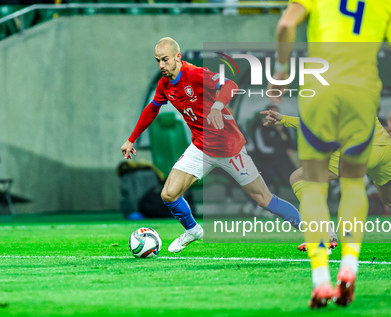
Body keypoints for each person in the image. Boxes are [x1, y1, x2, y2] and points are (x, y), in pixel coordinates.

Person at [271, 0, 391, 308]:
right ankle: (348, 267)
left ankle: (320, 279)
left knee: (312, 184)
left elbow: (286, 24)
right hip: (362, 97)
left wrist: (282, 71)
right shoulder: (384, 0)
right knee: (353, 184)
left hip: (319, 91)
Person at [121, 38, 301, 254]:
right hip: (201, 148)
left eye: (165, 60)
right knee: (168, 194)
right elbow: (152, 109)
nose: (161, 65)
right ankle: (193, 230)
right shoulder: (164, 85)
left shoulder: (195, 74)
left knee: (264, 199)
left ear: (178, 57)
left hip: (230, 149)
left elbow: (230, 86)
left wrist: (217, 105)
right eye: (158, 60)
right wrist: (131, 139)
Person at [261, 109, 391, 256]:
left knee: (298, 177)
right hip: (384, 147)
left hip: (359, 151)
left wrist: (284, 120)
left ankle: (325, 235)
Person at [252, 105, 298, 188]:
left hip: (289, 155)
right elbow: (263, 149)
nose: (274, 116)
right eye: (272, 114)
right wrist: (284, 151)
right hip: (270, 159)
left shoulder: (283, 127)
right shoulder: (260, 128)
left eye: (276, 113)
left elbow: (291, 143)